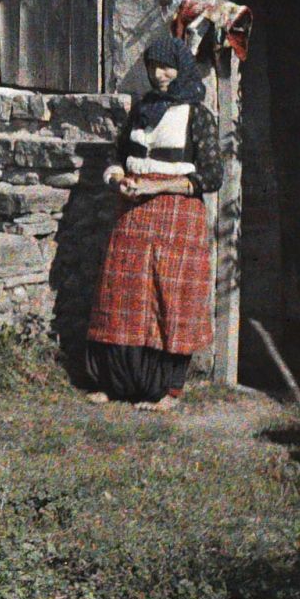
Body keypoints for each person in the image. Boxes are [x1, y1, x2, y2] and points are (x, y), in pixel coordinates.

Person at [84, 33, 224, 412]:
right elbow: (117, 156)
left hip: (177, 218)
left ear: (181, 70)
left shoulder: (198, 116)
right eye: (153, 67)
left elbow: (212, 176)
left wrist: (161, 186)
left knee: (170, 298)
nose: (160, 75)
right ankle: (115, 384)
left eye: (167, 67)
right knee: (122, 294)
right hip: (132, 216)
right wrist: (119, 180)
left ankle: (167, 390)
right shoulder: (141, 111)